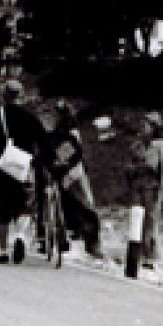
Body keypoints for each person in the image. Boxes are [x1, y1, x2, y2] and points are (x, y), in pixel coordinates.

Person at [0, 79, 48, 264]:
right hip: (23, 168)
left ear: (4, 95)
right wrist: (43, 161)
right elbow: (43, 141)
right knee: (25, 205)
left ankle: (3, 251)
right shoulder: (30, 117)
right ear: (21, 96)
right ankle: (19, 236)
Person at [48, 100, 104, 259]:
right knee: (81, 208)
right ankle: (85, 241)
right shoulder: (64, 130)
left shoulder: (67, 131)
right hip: (70, 172)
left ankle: (87, 242)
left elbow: (76, 152)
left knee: (82, 208)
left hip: (70, 173)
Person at [125, 111, 163, 268]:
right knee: (137, 220)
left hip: (152, 188)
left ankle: (149, 255)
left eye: (146, 125)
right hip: (137, 186)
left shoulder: (160, 145)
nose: (143, 128)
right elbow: (129, 164)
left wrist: (160, 190)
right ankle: (135, 254)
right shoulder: (137, 144)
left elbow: (161, 169)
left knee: (150, 222)